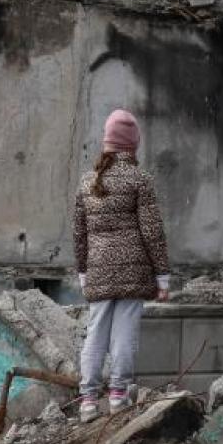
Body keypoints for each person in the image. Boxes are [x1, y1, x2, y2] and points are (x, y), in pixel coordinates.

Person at [73, 109, 171, 422]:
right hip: (134, 270)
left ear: (107, 142)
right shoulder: (140, 180)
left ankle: (88, 399)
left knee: (95, 333)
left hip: (98, 269)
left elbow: (79, 233)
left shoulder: (88, 182)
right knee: (125, 333)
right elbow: (152, 231)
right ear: (133, 145)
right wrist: (163, 277)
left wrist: (83, 272)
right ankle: (118, 394)